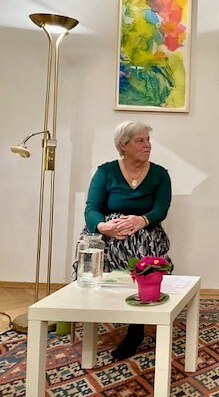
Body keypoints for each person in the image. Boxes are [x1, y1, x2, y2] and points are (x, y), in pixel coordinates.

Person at [83, 120, 172, 360]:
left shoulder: (160, 174)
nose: (147, 145)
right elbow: (92, 207)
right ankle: (102, 311)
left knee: (142, 247)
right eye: (140, 141)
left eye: (148, 140)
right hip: (108, 234)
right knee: (93, 248)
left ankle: (135, 329)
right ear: (123, 145)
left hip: (145, 232)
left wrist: (142, 220)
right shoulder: (106, 172)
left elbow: (161, 209)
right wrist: (104, 227)